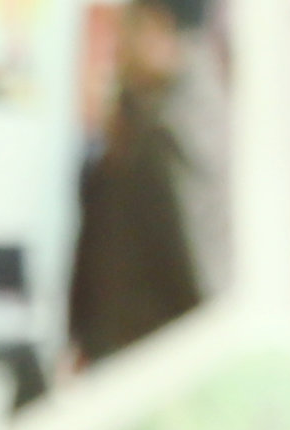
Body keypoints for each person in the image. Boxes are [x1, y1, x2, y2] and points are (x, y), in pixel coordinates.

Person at [65, 8, 210, 374]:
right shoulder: (131, 125)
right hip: (120, 346)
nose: (118, 52)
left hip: (153, 351)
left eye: (126, 35)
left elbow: (190, 259)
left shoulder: (172, 130)